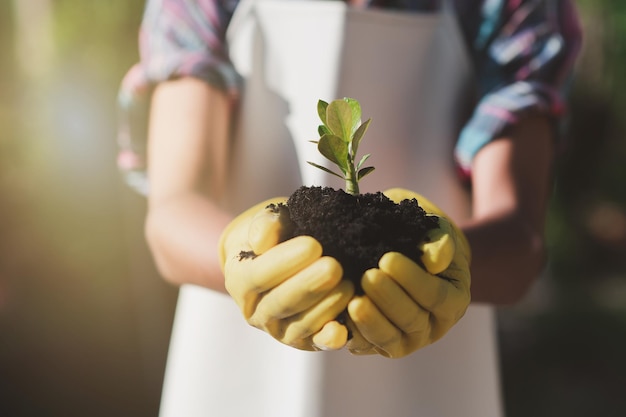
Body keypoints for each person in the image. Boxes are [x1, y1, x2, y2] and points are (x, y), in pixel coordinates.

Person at [117, 0, 582, 416]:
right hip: (236, 364)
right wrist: (235, 256)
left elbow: (520, 238)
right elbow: (173, 212)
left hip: (430, 363)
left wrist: (449, 261)